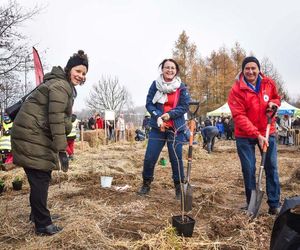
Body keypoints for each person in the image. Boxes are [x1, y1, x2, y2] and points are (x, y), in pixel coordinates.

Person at [11, 50, 89, 235]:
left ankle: (37, 215)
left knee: (40, 178)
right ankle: (43, 224)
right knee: (40, 179)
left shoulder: (60, 84)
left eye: (84, 73)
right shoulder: (62, 86)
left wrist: (66, 124)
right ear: (69, 69)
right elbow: (55, 119)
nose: (80, 75)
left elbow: (58, 117)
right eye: (78, 70)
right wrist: (62, 149)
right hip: (32, 137)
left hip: (33, 135)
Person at [228, 56, 281, 215]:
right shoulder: (236, 90)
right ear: (242, 71)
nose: (250, 71)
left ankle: (274, 203)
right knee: (249, 168)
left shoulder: (268, 83)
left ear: (259, 69)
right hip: (245, 135)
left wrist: (274, 103)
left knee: (271, 166)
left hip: (268, 130)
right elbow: (239, 116)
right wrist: (256, 134)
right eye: (247, 69)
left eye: (253, 68)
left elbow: (277, 98)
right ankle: (251, 203)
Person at [137, 58, 190, 200]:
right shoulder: (155, 85)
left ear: (176, 71)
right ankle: (146, 184)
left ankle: (179, 187)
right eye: (167, 67)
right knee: (150, 157)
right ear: (162, 69)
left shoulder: (182, 87)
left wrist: (170, 115)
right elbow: (149, 104)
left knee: (176, 158)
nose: (170, 70)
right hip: (157, 127)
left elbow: (184, 106)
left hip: (175, 128)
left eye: (172, 68)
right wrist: (159, 116)